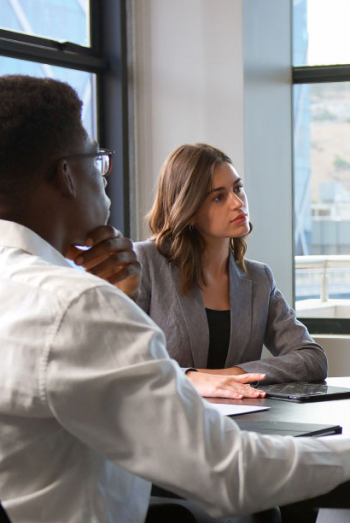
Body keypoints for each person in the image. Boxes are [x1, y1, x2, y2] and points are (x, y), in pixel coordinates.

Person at [0, 75, 350, 523]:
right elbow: (229, 473)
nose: (105, 172)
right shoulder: (75, 304)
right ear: (66, 176)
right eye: (97, 159)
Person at [135, 143, 324, 400]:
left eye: (238, 188)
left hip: (242, 422)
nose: (237, 203)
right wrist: (192, 378)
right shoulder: (145, 262)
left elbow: (311, 358)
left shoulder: (258, 278)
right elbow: (120, 361)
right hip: (165, 421)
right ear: (188, 210)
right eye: (218, 197)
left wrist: (230, 375)